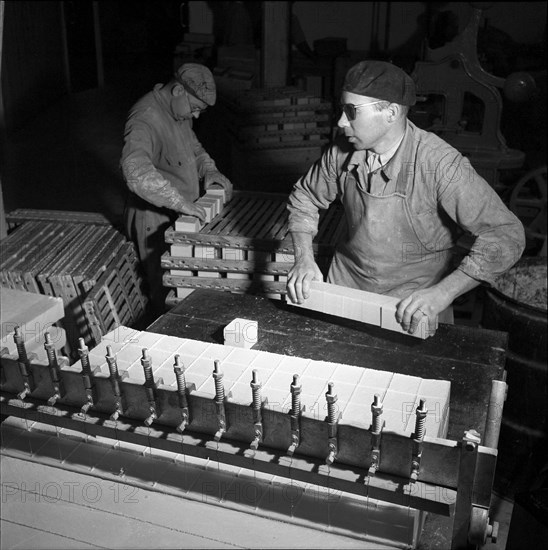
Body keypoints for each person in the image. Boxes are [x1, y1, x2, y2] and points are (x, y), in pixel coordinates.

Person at [286, 60, 525, 337]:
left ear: (390, 112)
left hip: (414, 307)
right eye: (342, 109)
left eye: (351, 112)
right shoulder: (340, 153)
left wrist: (443, 293)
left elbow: (506, 235)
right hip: (347, 293)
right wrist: (303, 257)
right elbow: (305, 196)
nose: (340, 122)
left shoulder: (440, 165)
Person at [121, 63, 232, 316]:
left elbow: (194, 149)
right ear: (179, 91)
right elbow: (135, 170)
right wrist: (180, 202)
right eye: (195, 108)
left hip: (180, 211)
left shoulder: (178, 112)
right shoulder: (145, 117)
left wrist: (210, 170)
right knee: (165, 290)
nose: (195, 116)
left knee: (183, 281)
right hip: (153, 219)